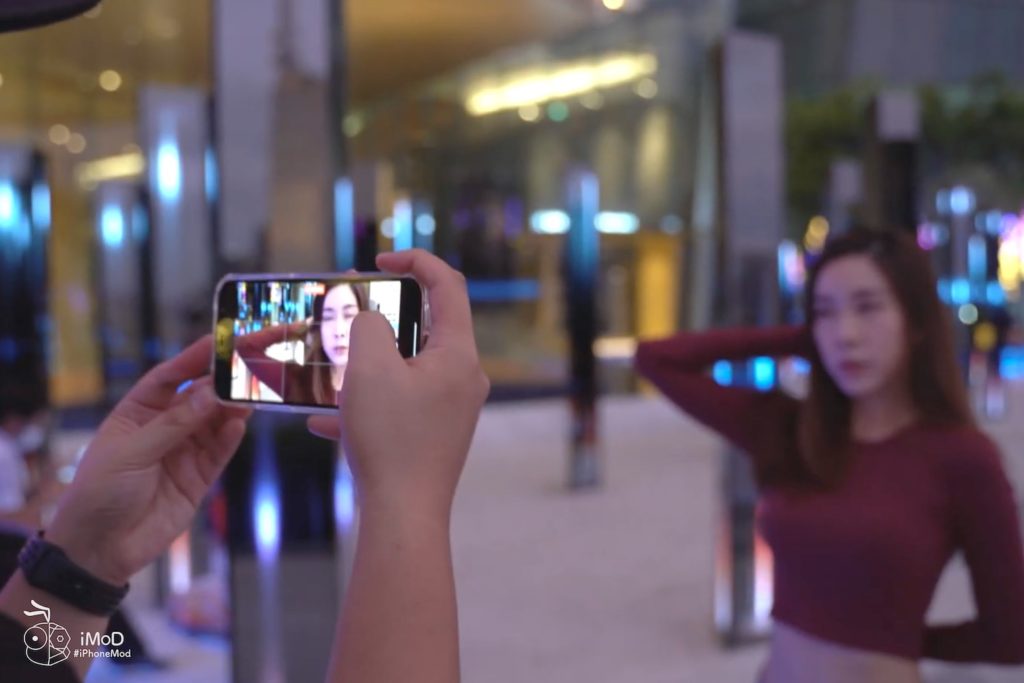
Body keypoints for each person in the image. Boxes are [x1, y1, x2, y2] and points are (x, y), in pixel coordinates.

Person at [0, 249, 489, 683]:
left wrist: (86, 557)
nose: (342, 328)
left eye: (352, 315)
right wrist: (407, 502)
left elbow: (23, 667)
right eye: (331, 315)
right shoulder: (296, 374)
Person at [635, 228, 1024, 682]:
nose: (846, 334)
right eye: (825, 313)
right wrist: (798, 339)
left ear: (917, 322)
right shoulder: (791, 429)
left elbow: (1011, 634)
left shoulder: (960, 458)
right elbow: (656, 360)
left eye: (867, 307)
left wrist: (898, 638)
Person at [236, 281, 368, 406]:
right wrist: (301, 327)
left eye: (349, 315)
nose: (339, 331)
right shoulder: (298, 382)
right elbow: (245, 345)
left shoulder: (376, 388)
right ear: (318, 327)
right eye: (328, 318)